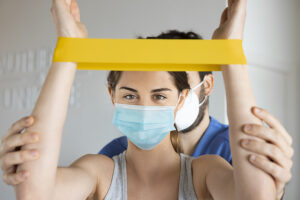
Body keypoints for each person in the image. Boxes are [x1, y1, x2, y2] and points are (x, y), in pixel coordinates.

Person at [0, 0, 293, 199]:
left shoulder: (207, 168)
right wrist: (68, 49)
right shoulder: (100, 169)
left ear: (182, 100)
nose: (143, 107)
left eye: (159, 95)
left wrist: (230, 53)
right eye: (130, 94)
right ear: (112, 96)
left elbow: (256, 195)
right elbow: (34, 190)